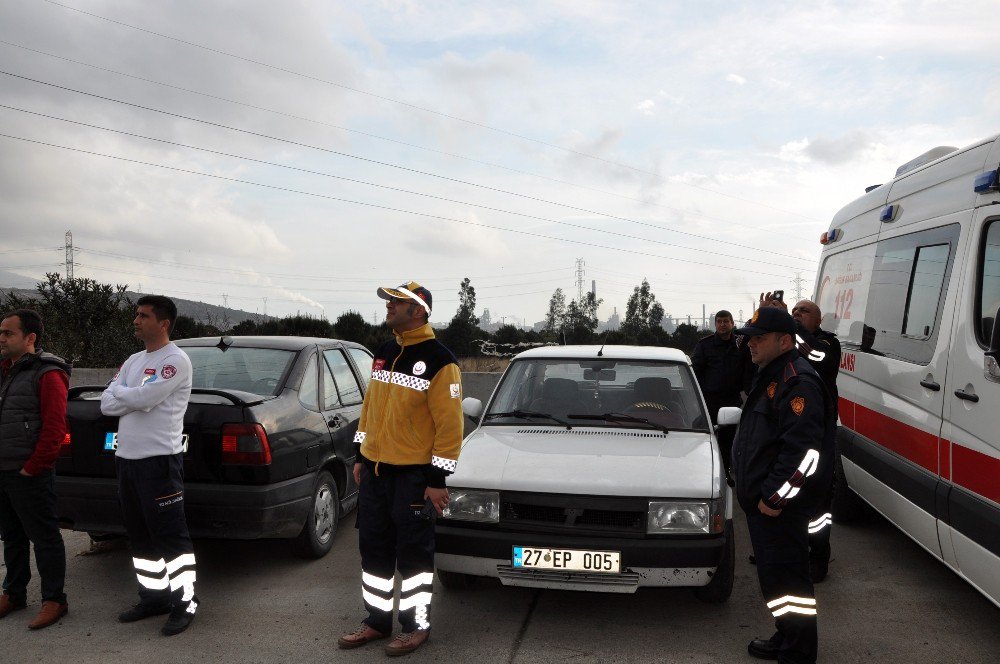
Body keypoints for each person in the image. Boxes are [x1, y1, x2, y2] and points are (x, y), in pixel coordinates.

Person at [338, 281, 463, 657]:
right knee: (373, 552)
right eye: (389, 302)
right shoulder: (385, 351)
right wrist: (361, 454)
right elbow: (371, 408)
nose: (389, 306)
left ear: (419, 310)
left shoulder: (442, 361)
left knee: (414, 557)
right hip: (376, 472)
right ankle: (376, 622)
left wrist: (437, 480)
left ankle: (415, 627)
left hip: (413, 478)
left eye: (397, 302)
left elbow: (450, 427)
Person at [731, 307, 835, 664]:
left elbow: (804, 453)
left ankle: (799, 652)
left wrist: (775, 498)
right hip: (763, 507)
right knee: (776, 583)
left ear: (785, 341)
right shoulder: (771, 373)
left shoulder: (798, 380)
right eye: (750, 337)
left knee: (790, 584)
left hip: (779, 510)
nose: (750, 344)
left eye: (759, 338)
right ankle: (787, 635)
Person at [100, 295, 198, 636]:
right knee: (139, 536)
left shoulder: (176, 360)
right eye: (136, 315)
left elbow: (146, 399)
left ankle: (185, 603)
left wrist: (125, 394)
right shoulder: (133, 360)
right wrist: (131, 396)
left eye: (143, 316)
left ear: (163, 323)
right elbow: (106, 404)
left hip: (159, 463)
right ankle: (153, 597)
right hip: (127, 462)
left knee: (170, 537)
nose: (136, 321)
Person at [0, 309, 70, 630]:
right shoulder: (4, 371)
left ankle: (54, 600)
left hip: (29, 472)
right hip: (3, 470)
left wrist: (33, 467)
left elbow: (55, 428)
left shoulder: (48, 373)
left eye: (8, 333)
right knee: (12, 536)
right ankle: (13, 594)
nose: (1, 338)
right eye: (0, 332)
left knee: (44, 538)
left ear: (30, 338)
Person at [791, 299, 841, 583]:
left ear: (819, 321)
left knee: (818, 500)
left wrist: (792, 327)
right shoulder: (786, 341)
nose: (797, 315)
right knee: (785, 493)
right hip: (789, 431)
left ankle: (818, 558)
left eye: (804, 311)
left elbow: (818, 356)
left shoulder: (827, 345)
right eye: (794, 311)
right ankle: (787, 549)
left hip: (819, 434)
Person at [691, 310, 748, 470]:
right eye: (719, 322)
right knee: (707, 435)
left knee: (729, 438)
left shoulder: (740, 344)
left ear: (732, 323)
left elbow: (747, 369)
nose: (722, 325)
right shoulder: (705, 345)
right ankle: (705, 468)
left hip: (732, 400)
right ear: (715, 324)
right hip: (710, 400)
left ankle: (726, 470)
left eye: (726, 321)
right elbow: (695, 371)